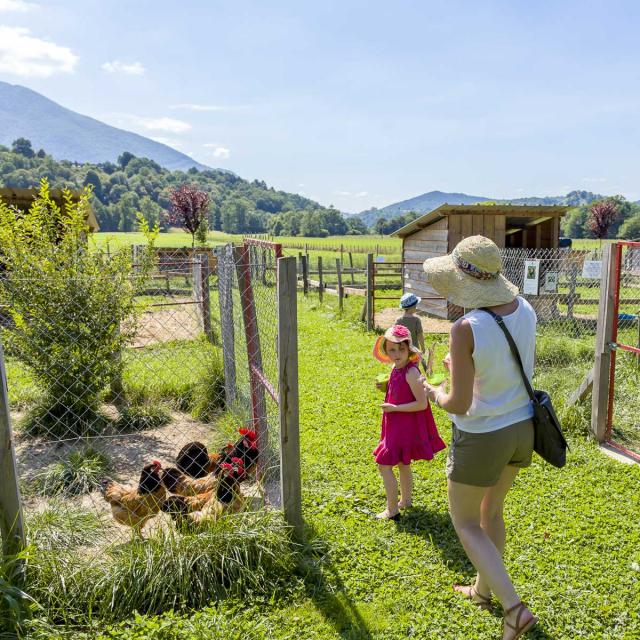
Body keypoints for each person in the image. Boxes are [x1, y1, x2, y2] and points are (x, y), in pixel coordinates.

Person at [422, 235, 539, 640]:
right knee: (492, 512)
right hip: (522, 427)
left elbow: (457, 403)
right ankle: (481, 590)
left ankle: (515, 610)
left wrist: (434, 391)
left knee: (466, 522)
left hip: (483, 434)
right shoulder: (524, 308)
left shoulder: (466, 327)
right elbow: (504, 367)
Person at [372, 324, 446, 520]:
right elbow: (402, 392)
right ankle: (405, 501)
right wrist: (387, 387)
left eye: (401, 349)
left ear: (408, 349)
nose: (397, 354)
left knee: (384, 465)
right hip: (395, 424)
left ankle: (392, 509)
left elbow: (421, 404)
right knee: (403, 464)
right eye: (392, 349)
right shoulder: (396, 369)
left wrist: (396, 408)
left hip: (402, 426)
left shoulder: (411, 372)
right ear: (386, 351)